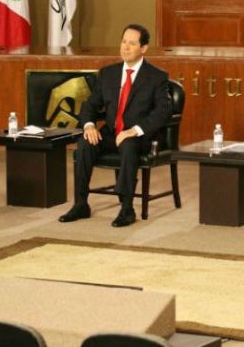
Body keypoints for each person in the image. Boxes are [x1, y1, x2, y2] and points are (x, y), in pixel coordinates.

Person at [59, 23, 172, 227]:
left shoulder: (156, 77)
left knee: (128, 145)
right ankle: (81, 204)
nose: (125, 47)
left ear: (144, 48)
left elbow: (162, 113)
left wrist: (134, 130)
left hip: (140, 137)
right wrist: (89, 126)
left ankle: (127, 209)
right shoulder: (108, 73)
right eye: (123, 42)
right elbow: (90, 105)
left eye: (132, 43)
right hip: (112, 133)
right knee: (85, 142)